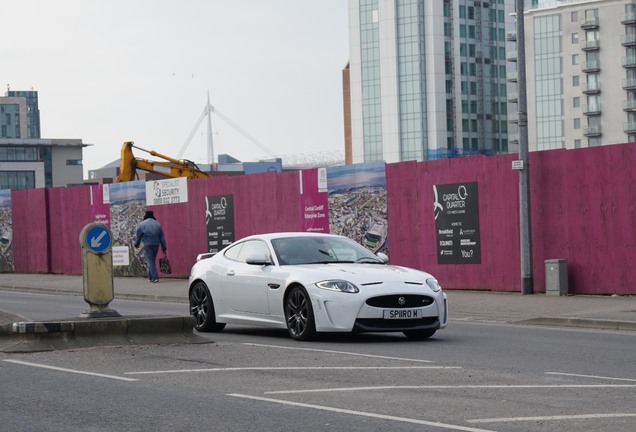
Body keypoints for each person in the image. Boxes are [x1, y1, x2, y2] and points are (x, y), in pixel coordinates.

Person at [134, 210, 167, 283]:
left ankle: (155, 277)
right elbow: (162, 237)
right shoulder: (157, 224)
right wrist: (164, 247)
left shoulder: (142, 224)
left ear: (146, 215)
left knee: (150, 260)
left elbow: (138, 235)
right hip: (156, 244)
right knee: (152, 260)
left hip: (147, 244)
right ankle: (151, 277)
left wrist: (137, 244)